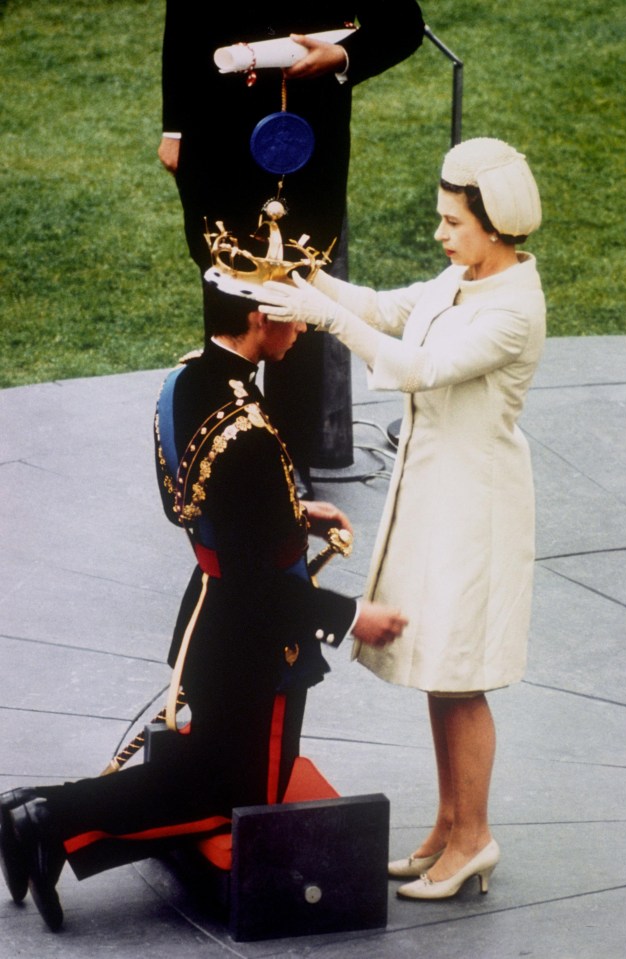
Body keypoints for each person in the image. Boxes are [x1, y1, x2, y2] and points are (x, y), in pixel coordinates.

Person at [0, 280, 407, 932]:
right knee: (240, 792)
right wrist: (354, 616)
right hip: (258, 642)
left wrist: (292, 516)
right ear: (256, 319)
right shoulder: (247, 427)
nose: (300, 332)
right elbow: (263, 584)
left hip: (209, 618)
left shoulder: (185, 383)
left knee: (210, 768)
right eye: (292, 320)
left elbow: (211, 509)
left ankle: (39, 815)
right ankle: (48, 817)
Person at [258, 137, 546, 900]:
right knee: (438, 672)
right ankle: (449, 828)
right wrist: (313, 280)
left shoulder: (514, 308)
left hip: (476, 503)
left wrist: (316, 312)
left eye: (453, 222)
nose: (441, 235)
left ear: (493, 226)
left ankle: (475, 836)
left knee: (462, 673)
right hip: (436, 490)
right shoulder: (465, 276)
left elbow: (415, 368)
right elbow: (389, 310)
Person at [157, 3, 425, 494]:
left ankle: (288, 465)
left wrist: (342, 58)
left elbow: (402, 25)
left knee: (301, 298)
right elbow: (185, 18)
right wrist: (174, 126)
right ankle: (220, 451)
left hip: (307, 139)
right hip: (216, 133)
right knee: (227, 291)